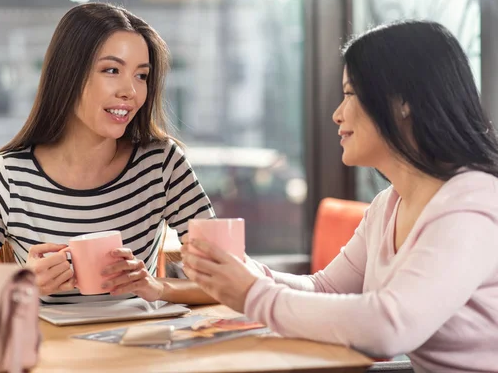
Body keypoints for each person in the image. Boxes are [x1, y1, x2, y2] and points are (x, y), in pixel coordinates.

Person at [181, 20, 498, 372]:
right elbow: (325, 288)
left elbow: (389, 325)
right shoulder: (389, 205)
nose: (336, 114)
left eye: (349, 93)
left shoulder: (473, 202)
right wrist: (242, 272)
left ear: (403, 101)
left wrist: (253, 294)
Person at [0, 2, 216, 305]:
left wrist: (157, 288)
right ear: (69, 74)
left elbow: (232, 278)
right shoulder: (9, 175)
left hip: (139, 347)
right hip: (45, 352)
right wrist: (22, 286)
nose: (130, 91)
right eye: (111, 70)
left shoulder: (161, 164)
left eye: (141, 76)